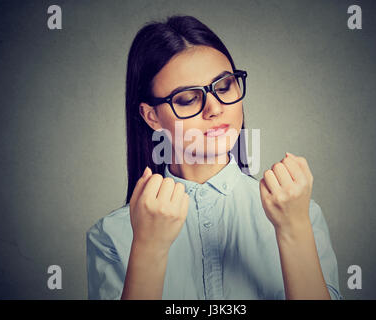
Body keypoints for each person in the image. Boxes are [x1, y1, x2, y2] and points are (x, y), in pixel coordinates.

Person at [86, 15, 342, 300]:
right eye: (187, 98)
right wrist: (148, 249)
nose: (215, 108)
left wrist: (294, 229)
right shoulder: (111, 235)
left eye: (224, 87)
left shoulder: (298, 211)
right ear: (151, 116)